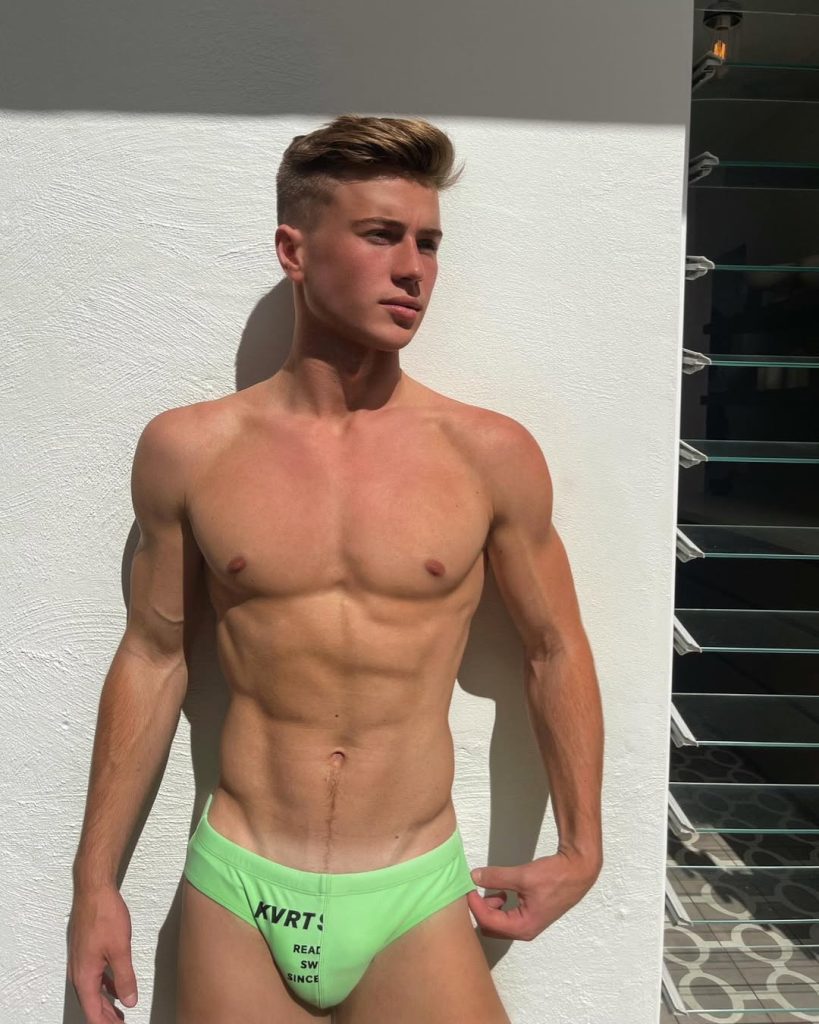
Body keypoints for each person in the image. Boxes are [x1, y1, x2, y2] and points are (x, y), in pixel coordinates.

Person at [67, 113, 604, 1024]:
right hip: (240, 883)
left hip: (411, 885)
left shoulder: (488, 454)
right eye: (381, 235)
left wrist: (583, 849)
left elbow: (555, 649)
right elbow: (153, 658)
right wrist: (94, 885)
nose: (413, 269)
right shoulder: (190, 450)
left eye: (428, 242)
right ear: (295, 250)